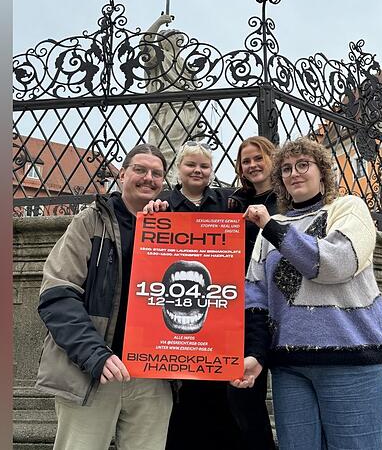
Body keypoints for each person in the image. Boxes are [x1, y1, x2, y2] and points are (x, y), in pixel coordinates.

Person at [231, 137, 382, 450]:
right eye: (286, 169)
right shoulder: (273, 225)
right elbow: (255, 297)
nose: (294, 173)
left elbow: (338, 262)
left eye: (303, 165)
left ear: (322, 171)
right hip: (290, 367)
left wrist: (273, 230)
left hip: (352, 359)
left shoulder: (347, 208)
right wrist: (257, 354)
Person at [35, 144, 173, 450]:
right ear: (122, 174)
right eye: (140, 170)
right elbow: (57, 294)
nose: (148, 178)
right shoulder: (89, 221)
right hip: (93, 370)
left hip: (153, 375)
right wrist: (94, 354)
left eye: (156, 173)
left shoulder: (174, 226)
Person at [142, 140, 243, 450]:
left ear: (211, 171)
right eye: (191, 165)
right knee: (180, 405)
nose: (197, 170)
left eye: (204, 166)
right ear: (179, 169)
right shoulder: (163, 204)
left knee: (219, 404)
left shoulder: (228, 202)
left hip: (216, 313)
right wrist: (151, 213)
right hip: (175, 312)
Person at [224, 136, 279, 450]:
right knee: (242, 395)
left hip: (280, 306)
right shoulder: (234, 202)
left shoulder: (285, 200)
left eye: (259, 158)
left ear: (272, 158)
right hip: (244, 307)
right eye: (246, 161)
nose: (253, 165)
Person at [140, 13, 202, 186]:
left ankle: (182, 178)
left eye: (179, 36)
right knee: (168, 146)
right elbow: (145, 45)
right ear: (165, 41)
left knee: (189, 148)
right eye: (175, 36)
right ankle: (167, 179)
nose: (179, 39)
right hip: (170, 108)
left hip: (190, 109)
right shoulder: (159, 56)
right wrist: (159, 22)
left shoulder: (183, 62)